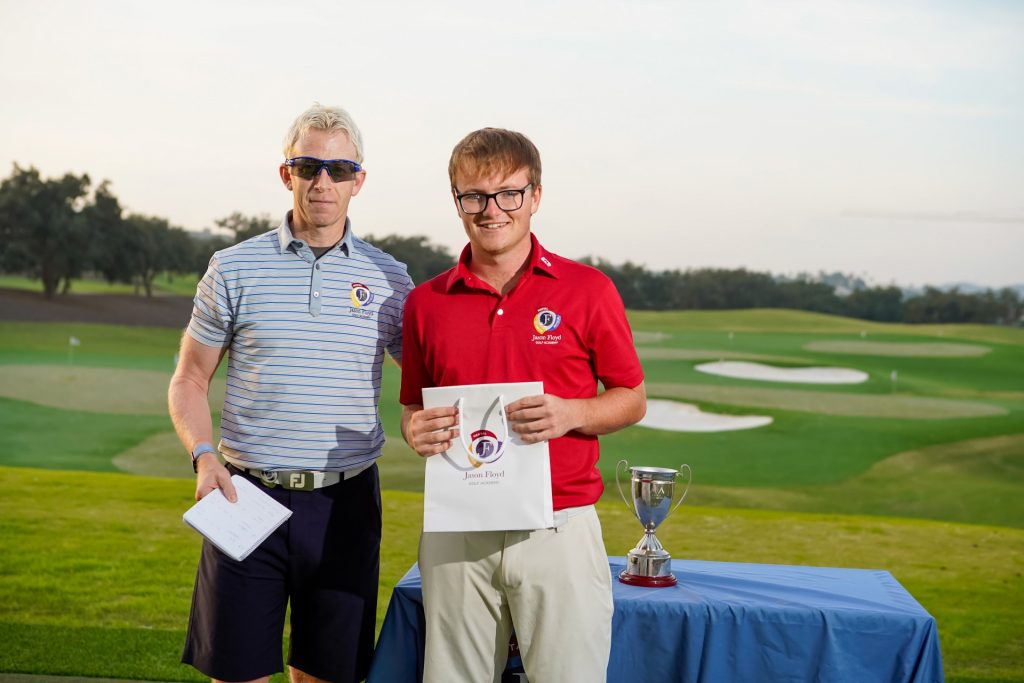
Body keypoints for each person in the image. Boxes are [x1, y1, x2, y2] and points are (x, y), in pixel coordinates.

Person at [168, 103, 413, 683]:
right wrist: (203, 457)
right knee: (238, 673)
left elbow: (435, 381)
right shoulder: (233, 267)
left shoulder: (390, 278)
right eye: (308, 167)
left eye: (338, 169)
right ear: (287, 174)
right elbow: (189, 379)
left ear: (359, 180)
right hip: (244, 495)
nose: (322, 182)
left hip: (345, 506)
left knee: (325, 676)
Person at [399, 127, 647, 683]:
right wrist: (416, 430)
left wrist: (573, 413)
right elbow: (412, 408)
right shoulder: (425, 303)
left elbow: (632, 398)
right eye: (474, 197)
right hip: (457, 529)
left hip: (558, 525)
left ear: (535, 196)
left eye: (509, 193)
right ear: (457, 202)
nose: (492, 210)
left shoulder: (588, 290)